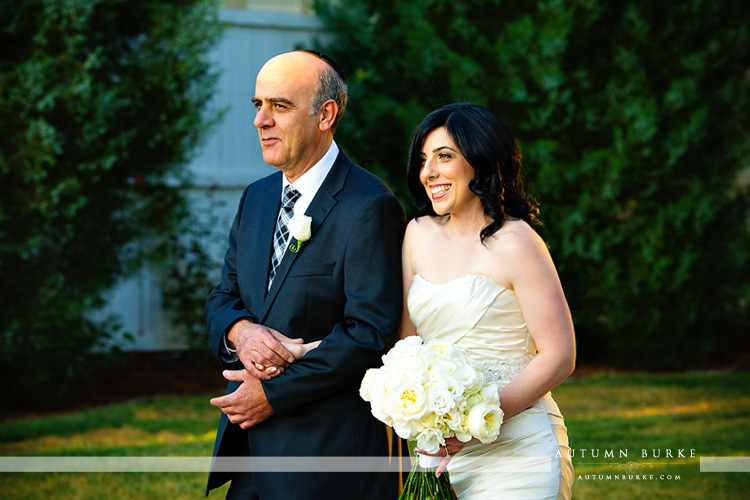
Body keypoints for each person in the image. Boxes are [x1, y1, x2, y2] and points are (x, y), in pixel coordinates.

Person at [204, 50, 406, 499]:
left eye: (279, 106)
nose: (261, 120)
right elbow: (223, 297)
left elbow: (371, 333)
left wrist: (273, 395)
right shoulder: (255, 198)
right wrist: (242, 332)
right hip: (250, 458)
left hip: (328, 459)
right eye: (257, 105)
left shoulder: (369, 206)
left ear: (325, 115)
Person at [400, 103, 576, 499]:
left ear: (480, 162)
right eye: (423, 159)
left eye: (444, 156)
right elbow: (405, 347)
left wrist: (477, 422)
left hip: (520, 454)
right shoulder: (416, 235)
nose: (429, 172)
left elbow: (559, 355)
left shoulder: (517, 242)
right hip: (444, 456)